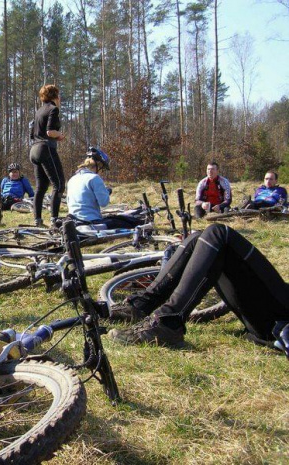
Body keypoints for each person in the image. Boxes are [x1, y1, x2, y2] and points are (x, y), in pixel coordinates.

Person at [106, 223, 289, 357]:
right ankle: (141, 305)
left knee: (218, 234)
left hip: (278, 318)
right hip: (275, 310)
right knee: (197, 238)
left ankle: (168, 322)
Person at [66, 147, 143, 229]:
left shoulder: (72, 179)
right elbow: (103, 203)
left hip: (75, 221)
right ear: (98, 165)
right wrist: (107, 192)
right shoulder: (94, 178)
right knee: (128, 222)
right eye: (102, 169)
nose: (102, 172)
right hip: (91, 221)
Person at [29, 84, 66, 227]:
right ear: (55, 96)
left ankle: (37, 220)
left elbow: (32, 134)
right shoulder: (53, 109)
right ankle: (54, 220)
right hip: (46, 149)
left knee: (41, 187)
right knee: (59, 184)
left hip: (34, 150)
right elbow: (51, 132)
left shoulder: (38, 111)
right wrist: (60, 135)